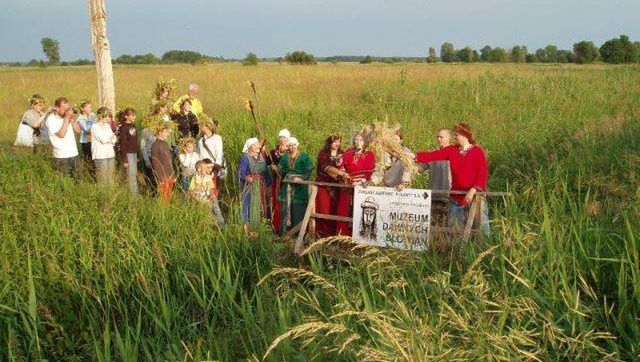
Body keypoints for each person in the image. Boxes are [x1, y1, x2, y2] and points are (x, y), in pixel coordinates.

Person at [415, 123, 489, 235]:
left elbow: (482, 173)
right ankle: (456, 252)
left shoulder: (477, 151)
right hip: (456, 198)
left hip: (475, 197)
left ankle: (483, 250)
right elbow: (433, 155)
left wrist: (472, 191)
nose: (455, 137)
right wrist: (414, 156)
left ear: (465, 135)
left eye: (457, 135)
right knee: (454, 231)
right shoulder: (452, 150)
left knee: (481, 230)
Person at [336, 133, 376, 236]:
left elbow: (369, 171)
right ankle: (343, 236)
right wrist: (343, 171)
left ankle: (359, 238)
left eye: (361, 140)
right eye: (356, 140)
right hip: (348, 184)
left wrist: (361, 181)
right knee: (344, 210)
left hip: (361, 186)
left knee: (358, 212)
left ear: (365, 142)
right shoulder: (349, 152)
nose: (358, 142)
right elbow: (341, 165)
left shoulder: (369, 154)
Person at [277, 137, 314, 236]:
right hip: (287, 187)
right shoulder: (285, 157)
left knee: (298, 210)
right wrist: (278, 168)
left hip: (300, 188)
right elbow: (280, 170)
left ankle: (298, 235)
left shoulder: (304, 157)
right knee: (285, 210)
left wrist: (301, 179)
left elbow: (308, 170)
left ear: (297, 145)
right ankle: (284, 235)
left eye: (293, 145)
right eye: (289, 145)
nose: (291, 147)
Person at [238, 137, 272, 238]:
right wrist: (246, 177)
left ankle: (261, 227)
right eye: (256, 144)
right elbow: (241, 172)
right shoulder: (245, 157)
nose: (258, 146)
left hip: (261, 185)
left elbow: (266, 171)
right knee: (250, 205)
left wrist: (269, 185)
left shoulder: (261, 157)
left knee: (261, 205)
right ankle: (250, 228)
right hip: (251, 185)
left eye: (258, 144)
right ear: (250, 147)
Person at [315, 133, 347, 238]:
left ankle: (334, 235)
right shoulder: (323, 154)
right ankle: (322, 234)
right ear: (329, 142)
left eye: (338, 141)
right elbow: (326, 168)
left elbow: (345, 167)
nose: (337, 143)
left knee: (335, 209)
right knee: (324, 209)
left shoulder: (343, 154)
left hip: (337, 187)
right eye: (334, 141)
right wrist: (340, 173)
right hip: (324, 185)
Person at [46, 97, 81, 177]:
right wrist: (67, 118)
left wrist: (72, 119)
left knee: (78, 180)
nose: (66, 111)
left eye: (67, 109)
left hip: (74, 153)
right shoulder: (51, 119)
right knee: (65, 182)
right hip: (61, 156)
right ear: (57, 108)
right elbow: (61, 134)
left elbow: (78, 131)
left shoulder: (68, 116)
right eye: (64, 109)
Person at [141, 100, 172, 193]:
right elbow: (142, 147)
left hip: (160, 159)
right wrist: (146, 161)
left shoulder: (161, 133)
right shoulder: (146, 131)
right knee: (152, 181)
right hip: (150, 158)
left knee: (162, 181)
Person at [424, 128, 452, 226]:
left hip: (449, 196)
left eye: (442, 137)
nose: (439, 139)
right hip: (434, 196)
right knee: (434, 226)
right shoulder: (433, 153)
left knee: (449, 225)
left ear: (448, 137)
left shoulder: (454, 153)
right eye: (438, 137)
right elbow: (419, 168)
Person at [266, 128, 290, 234]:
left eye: (284, 137)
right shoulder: (273, 152)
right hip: (276, 181)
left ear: (288, 138)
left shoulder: (290, 151)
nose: (282, 139)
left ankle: (284, 228)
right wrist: (272, 166)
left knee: (285, 203)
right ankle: (274, 225)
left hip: (286, 181)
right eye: (280, 137)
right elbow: (267, 162)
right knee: (276, 201)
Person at [189, 159, 225, 228]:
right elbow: (191, 191)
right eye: (205, 168)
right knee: (202, 214)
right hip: (199, 200)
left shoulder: (208, 178)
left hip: (208, 198)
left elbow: (212, 188)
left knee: (213, 211)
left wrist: (211, 195)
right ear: (199, 170)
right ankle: (202, 227)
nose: (208, 170)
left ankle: (219, 225)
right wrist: (195, 198)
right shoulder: (195, 178)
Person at [91, 107, 117, 186]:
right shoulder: (94, 127)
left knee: (110, 178)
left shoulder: (107, 126)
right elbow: (103, 139)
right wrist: (110, 138)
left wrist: (111, 139)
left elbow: (114, 139)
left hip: (110, 154)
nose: (108, 118)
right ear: (101, 116)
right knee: (102, 180)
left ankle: (111, 196)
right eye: (107, 116)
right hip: (100, 155)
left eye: (109, 116)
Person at [151, 125, 175, 202]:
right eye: (166, 132)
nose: (168, 134)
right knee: (163, 197)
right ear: (159, 132)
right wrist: (160, 177)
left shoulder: (165, 143)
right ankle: (163, 210)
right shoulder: (155, 145)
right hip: (162, 176)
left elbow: (169, 161)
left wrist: (172, 174)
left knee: (168, 195)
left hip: (169, 174)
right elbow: (155, 163)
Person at [118, 108, 139, 195]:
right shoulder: (123, 128)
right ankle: (133, 196)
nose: (134, 116)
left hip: (134, 153)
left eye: (134, 114)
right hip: (128, 154)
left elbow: (134, 141)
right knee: (131, 175)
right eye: (132, 115)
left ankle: (135, 192)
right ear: (126, 116)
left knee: (134, 174)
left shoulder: (133, 125)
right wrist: (125, 159)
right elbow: (123, 144)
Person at [197, 116, 226, 180]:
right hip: (204, 167)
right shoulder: (201, 140)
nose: (199, 127)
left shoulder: (217, 138)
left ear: (207, 126)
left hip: (213, 166)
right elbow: (200, 155)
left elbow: (219, 153)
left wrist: (216, 167)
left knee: (214, 186)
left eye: (201, 125)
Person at [76, 99, 97, 164]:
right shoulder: (80, 118)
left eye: (90, 107)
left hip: (93, 140)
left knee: (94, 157)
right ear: (82, 109)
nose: (90, 109)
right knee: (87, 158)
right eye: (87, 107)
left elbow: (97, 125)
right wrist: (91, 120)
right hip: (85, 141)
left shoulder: (92, 115)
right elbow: (86, 128)